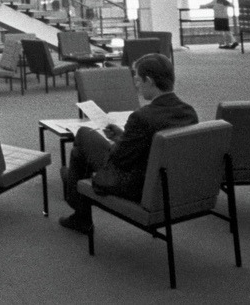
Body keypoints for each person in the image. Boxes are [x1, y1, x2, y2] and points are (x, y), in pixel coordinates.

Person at [59, 54, 197, 234]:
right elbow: (155, 145)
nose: (137, 85)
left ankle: (76, 199)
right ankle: (77, 201)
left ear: (149, 81)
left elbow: (119, 160)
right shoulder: (189, 112)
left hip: (139, 185)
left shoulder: (142, 117)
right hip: (169, 182)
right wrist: (123, 137)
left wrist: (119, 143)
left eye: (138, 80)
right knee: (79, 153)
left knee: (83, 136)